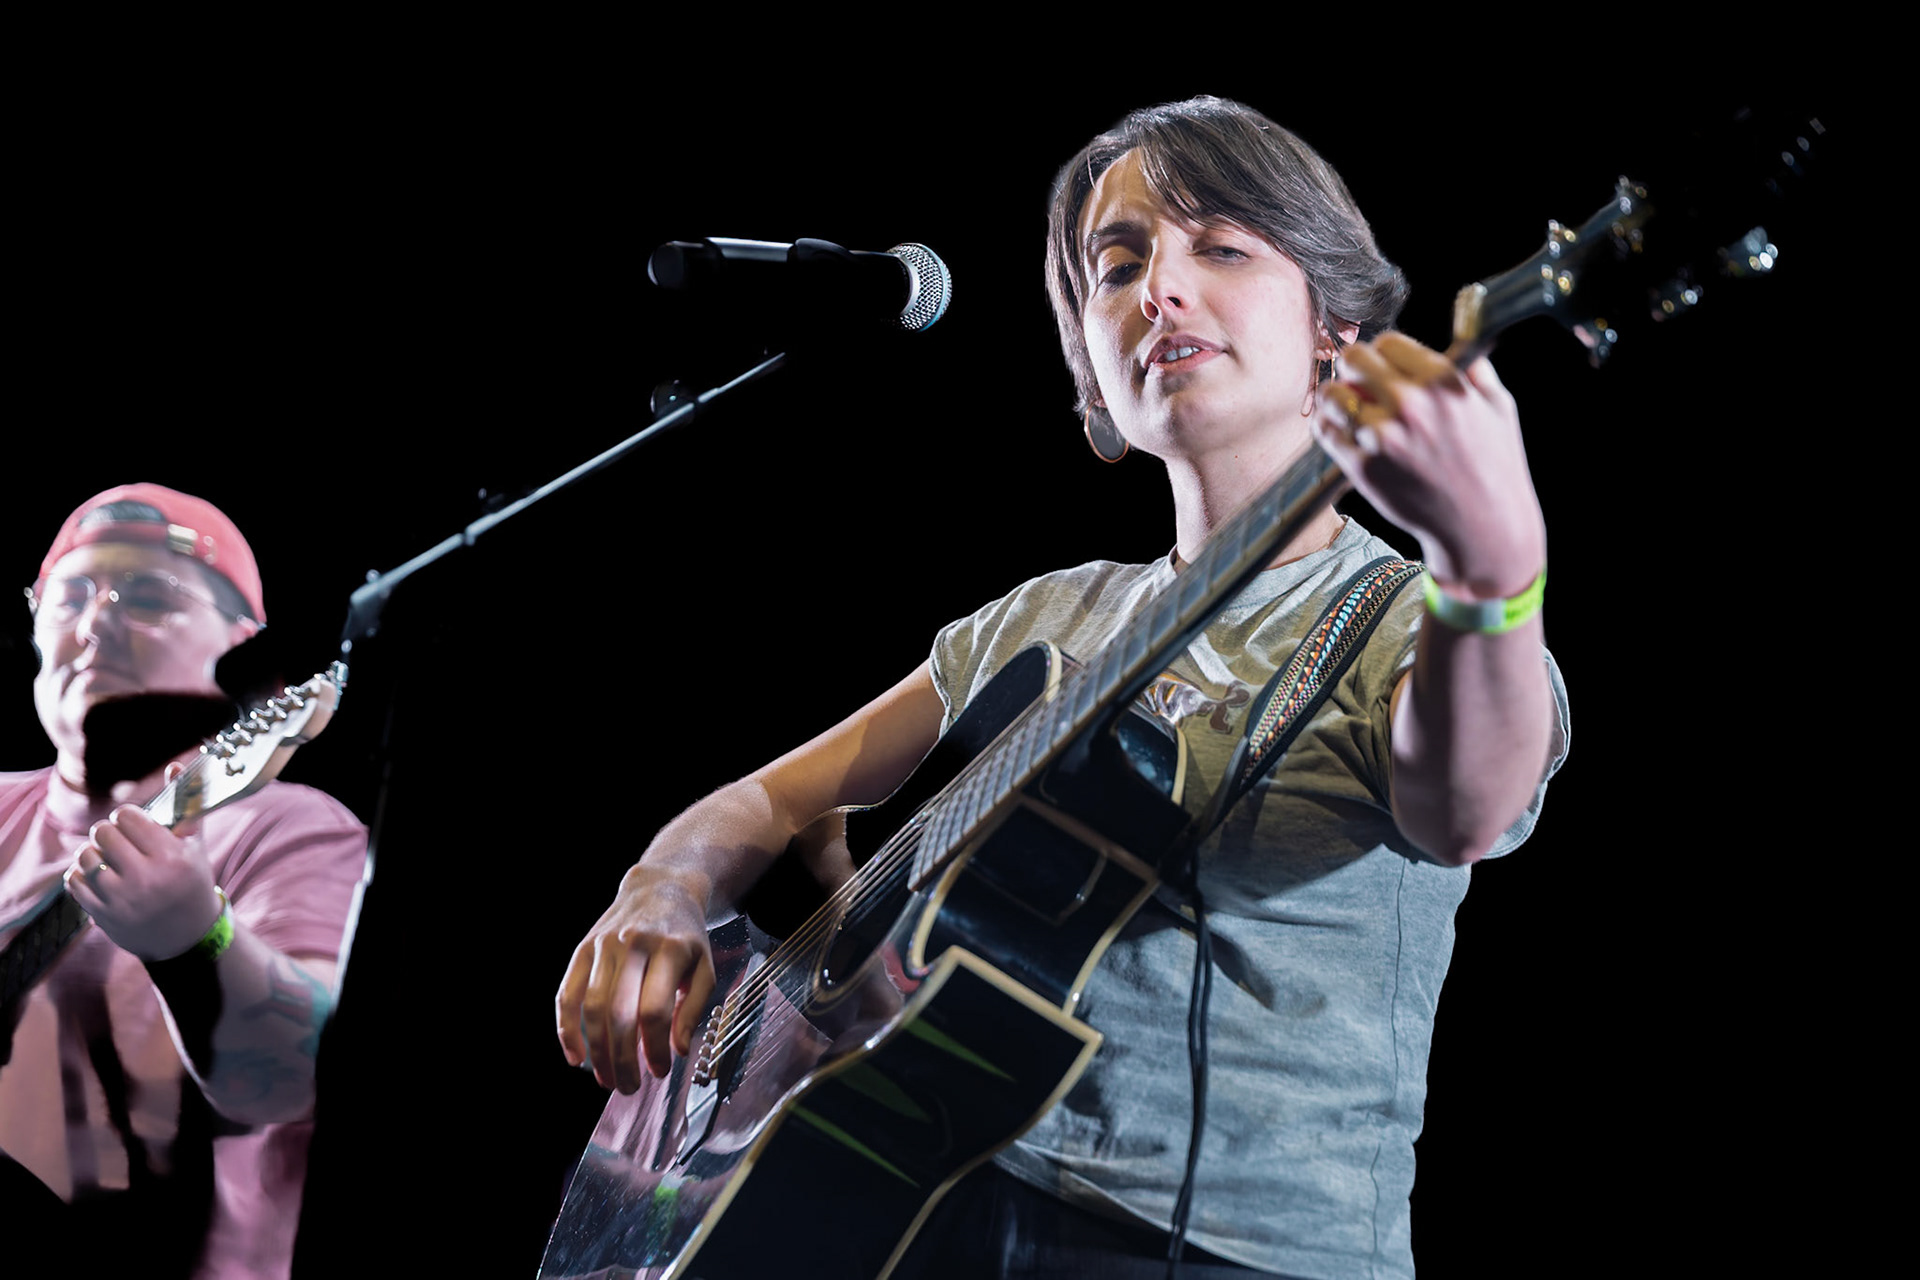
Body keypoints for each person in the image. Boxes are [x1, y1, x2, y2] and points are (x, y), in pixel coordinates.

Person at [554, 96, 1570, 1279]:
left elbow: (1467, 809)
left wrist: (1492, 572)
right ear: (1091, 377)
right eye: (1118, 265)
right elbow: (768, 802)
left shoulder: (1405, 615)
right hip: (921, 1219)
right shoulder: (1042, 619)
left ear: (1335, 329)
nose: (1160, 289)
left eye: (1222, 247)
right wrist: (662, 887)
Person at [0, 483, 367, 1279]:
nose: (94, 625)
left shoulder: (292, 830)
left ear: (241, 651)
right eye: (69, 598)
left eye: (148, 599)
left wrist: (198, 942)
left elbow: (304, 1082)